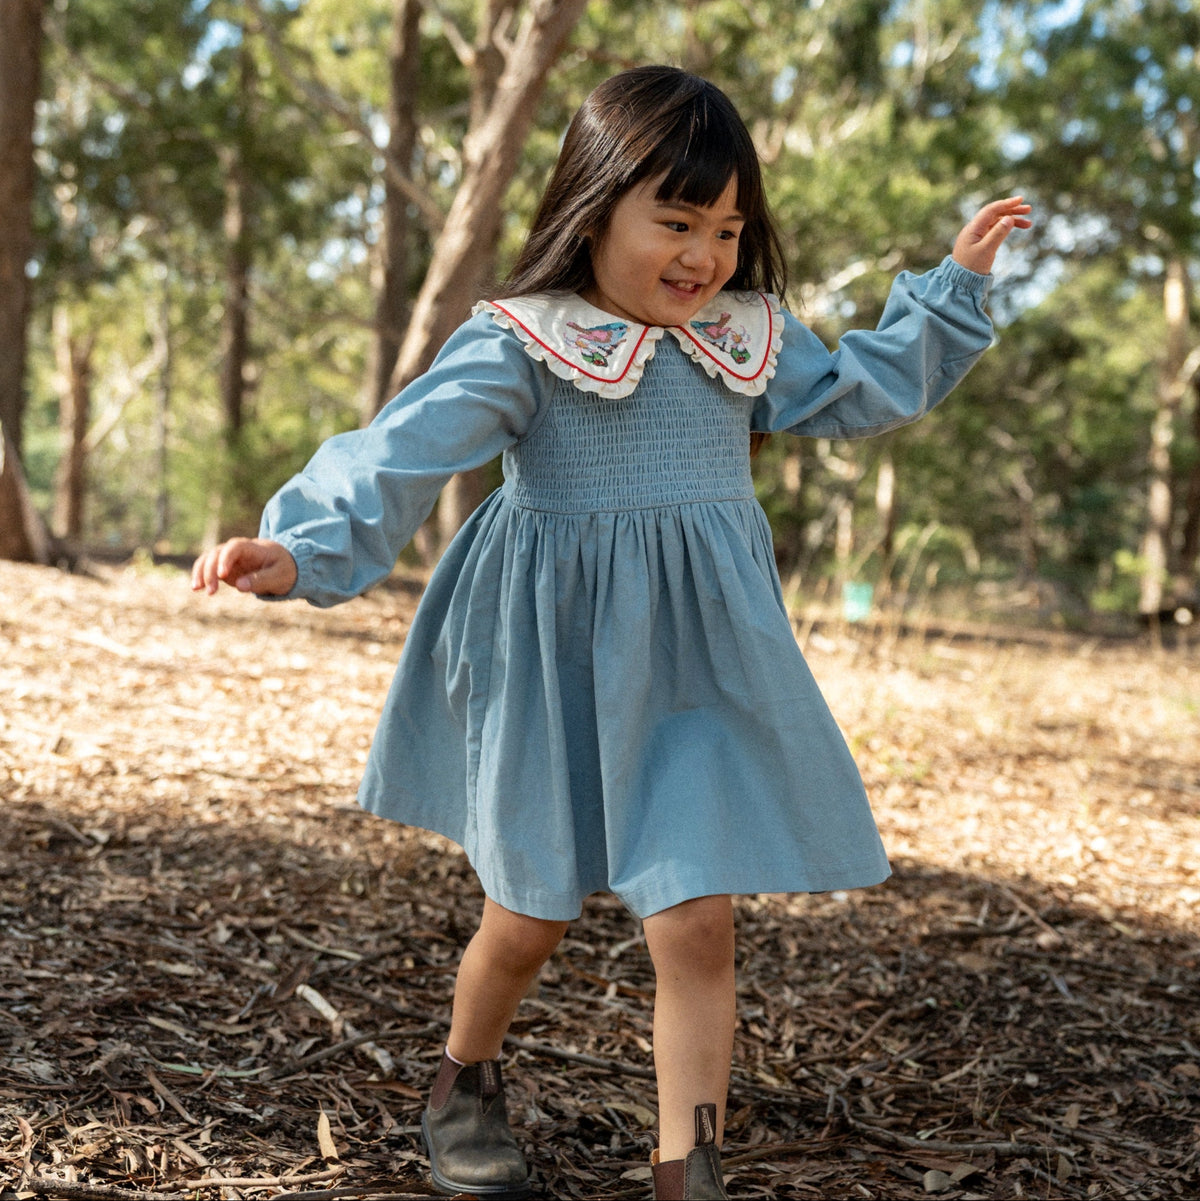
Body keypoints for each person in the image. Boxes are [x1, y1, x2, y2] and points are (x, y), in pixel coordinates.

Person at [192, 65, 1030, 1201]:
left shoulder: (745, 338)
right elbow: (400, 448)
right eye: (676, 221)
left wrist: (950, 290)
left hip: (699, 675)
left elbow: (859, 390)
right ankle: (463, 1077)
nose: (706, 255)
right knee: (528, 915)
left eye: (729, 228)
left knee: (697, 920)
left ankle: (689, 1171)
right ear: (593, 207)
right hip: (553, 668)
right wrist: (298, 547)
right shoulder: (527, 343)